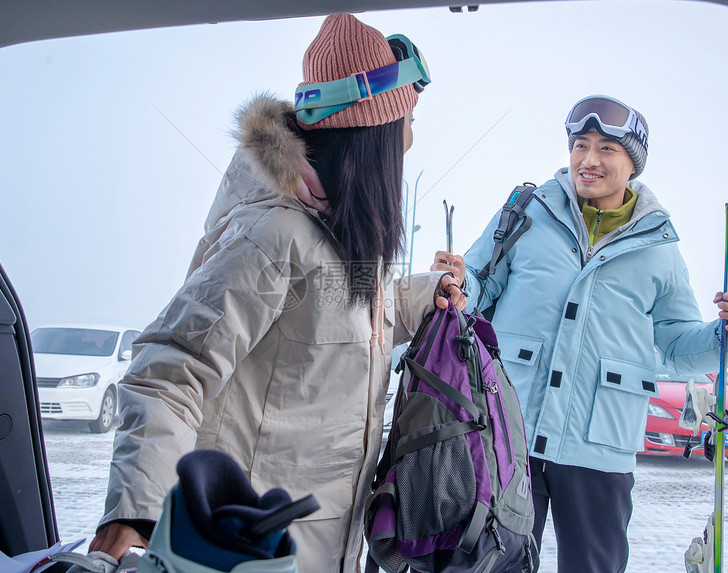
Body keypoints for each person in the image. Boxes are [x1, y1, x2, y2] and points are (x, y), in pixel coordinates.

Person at [88, 13, 466, 571]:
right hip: (253, 541)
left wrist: (426, 294)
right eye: (406, 119)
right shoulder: (274, 234)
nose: (411, 136)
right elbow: (171, 368)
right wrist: (135, 512)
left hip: (323, 539)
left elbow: (342, 316)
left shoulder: (340, 232)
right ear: (370, 138)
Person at [432, 94, 728, 572]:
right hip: (509, 433)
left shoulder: (659, 247)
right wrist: (458, 280)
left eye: (607, 148)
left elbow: (673, 348)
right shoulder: (526, 212)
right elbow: (478, 285)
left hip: (598, 448)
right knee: (486, 564)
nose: (588, 159)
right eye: (580, 145)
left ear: (634, 163)